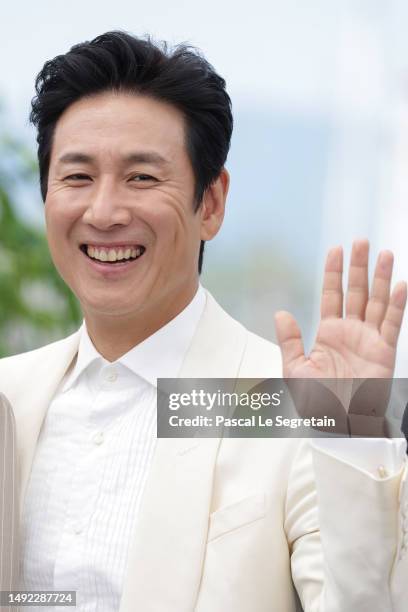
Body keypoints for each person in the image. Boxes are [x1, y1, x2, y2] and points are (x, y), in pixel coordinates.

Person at [0, 31, 407, 612]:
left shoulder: (288, 405)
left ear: (211, 203)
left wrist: (353, 438)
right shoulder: (10, 397)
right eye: (78, 176)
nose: (105, 211)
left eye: (142, 177)